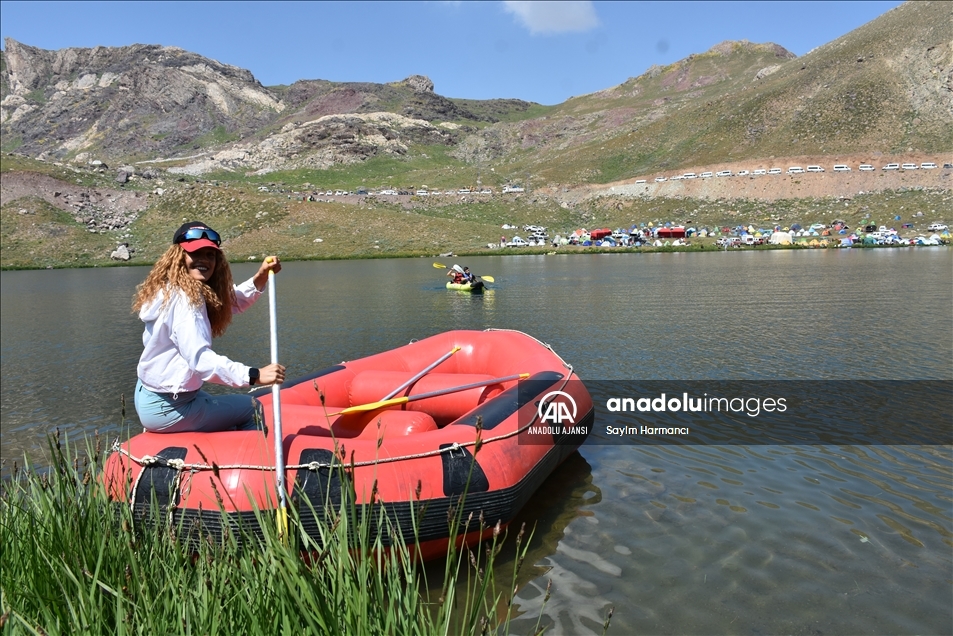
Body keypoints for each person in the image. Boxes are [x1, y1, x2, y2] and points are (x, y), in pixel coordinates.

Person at [131, 221, 286, 433]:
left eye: (210, 255)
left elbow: (233, 302)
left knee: (226, 409)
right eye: (195, 253)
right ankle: (249, 459)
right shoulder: (186, 302)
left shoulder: (172, 289)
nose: (204, 260)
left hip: (152, 397)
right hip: (169, 406)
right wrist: (254, 375)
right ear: (178, 257)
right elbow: (201, 360)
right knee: (253, 408)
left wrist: (260, 277)